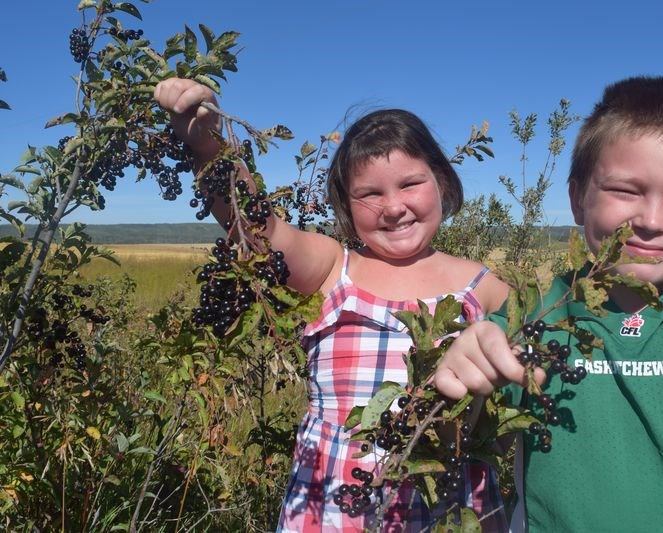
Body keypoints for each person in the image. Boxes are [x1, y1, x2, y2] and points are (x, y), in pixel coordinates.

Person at [433, 75, 663, 532]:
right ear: (577, 199)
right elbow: (461, 446)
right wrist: (456, 389)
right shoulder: (532, 317)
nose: (650, 221)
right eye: (625, 191)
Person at [154, 78, 510, 531]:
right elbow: (260, 232)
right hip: (335, 509)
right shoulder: (332, 269)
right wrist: (208, 146)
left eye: (410, 184)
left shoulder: (485, 288)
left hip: (451, 509)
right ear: (345, 203)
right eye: (370, 194)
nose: (393, 207)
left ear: (440, 181)